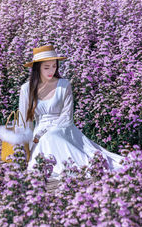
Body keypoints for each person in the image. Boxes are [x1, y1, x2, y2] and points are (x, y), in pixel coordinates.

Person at [19, 44, 126, 178]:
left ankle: (78, 166)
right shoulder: (26, 89)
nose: (51, 70)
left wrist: (45, 132)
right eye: (46, 67)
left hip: (62, 127)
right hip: (38, 133)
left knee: (50, 137)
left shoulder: (64, 85)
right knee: (44, 141)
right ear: (37, 68)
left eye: (54, 66)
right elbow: (25, 118)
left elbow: (67, 117)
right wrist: (25, 142)